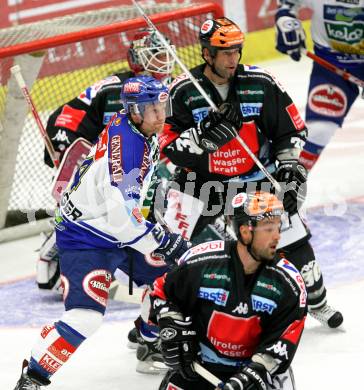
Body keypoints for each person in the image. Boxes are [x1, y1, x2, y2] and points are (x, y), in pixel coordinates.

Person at [159, 16, 343, 328]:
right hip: (203, 182)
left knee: (293, 242)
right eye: (225, 52)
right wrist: (199, 138)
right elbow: (165, 144)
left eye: (236, 51)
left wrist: (288, 165)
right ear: (207, 54)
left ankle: (317, 301)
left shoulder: (261, 83)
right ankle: (161, 318)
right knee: (168, 245)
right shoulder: (183, 91)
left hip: (255, 179)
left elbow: (291, 130)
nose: (233, 58)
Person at [13, 75, 190, 390]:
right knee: (85, 318)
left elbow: (127, 214)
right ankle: (33, 377)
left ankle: (148, 341)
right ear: (135, 112)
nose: (161, 115)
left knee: (174, 277)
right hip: (87, 237)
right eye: (152, 109)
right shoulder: (127, 154)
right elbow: (123, 217)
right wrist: (164, 240)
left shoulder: (132, 123)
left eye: (162, 105)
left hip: (115, 227)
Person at [149, 191, 307, 390]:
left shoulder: (288, 284)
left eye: (278, 227)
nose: (277, 236)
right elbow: (161, 292)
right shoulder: (200, 263)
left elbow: (284, 339)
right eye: (268, 229)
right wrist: (169, 323)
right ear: (245, 232)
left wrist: (254, 373)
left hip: (258, 373)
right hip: (198, 366)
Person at [275, 0, 364, 171]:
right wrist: (286, 19)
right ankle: (291, 188)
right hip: (330, 64)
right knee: (319, 129)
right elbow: (288, 3)